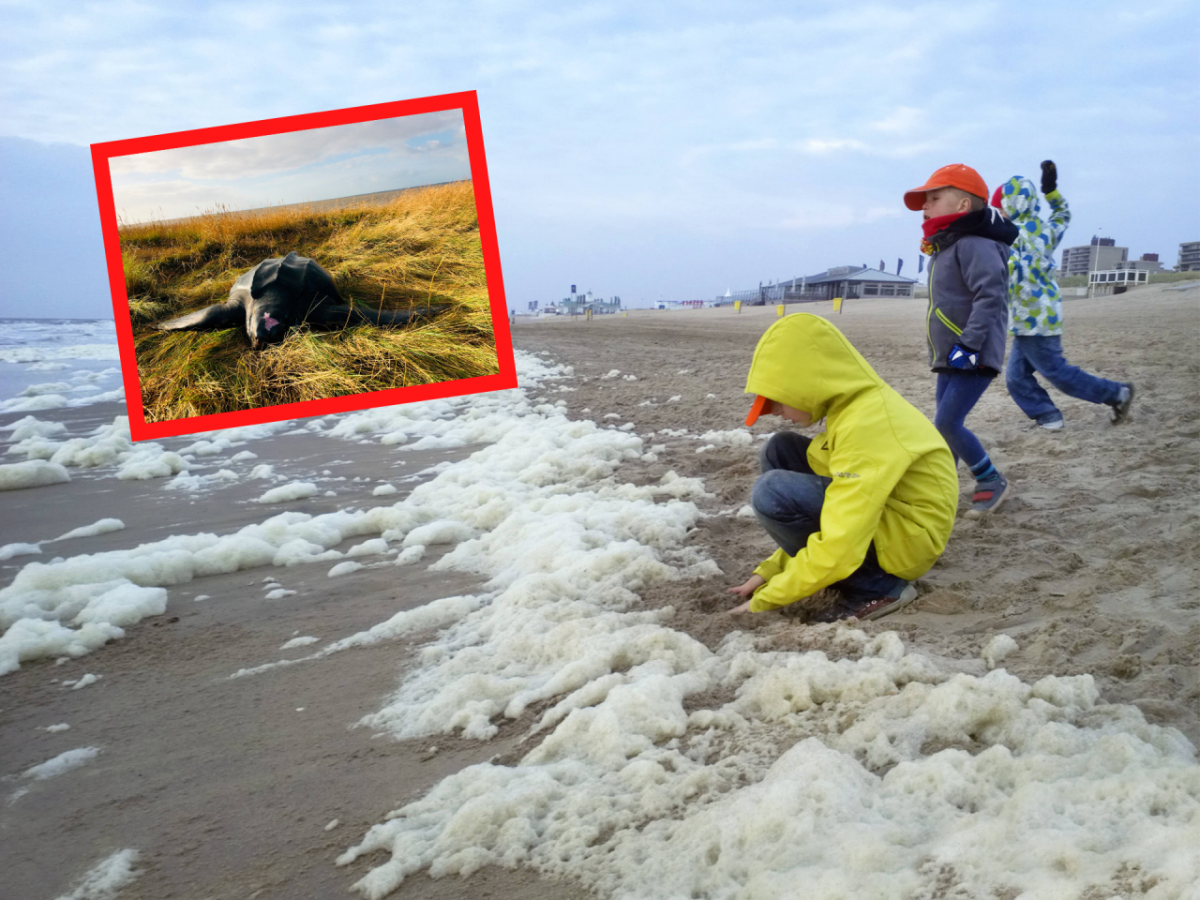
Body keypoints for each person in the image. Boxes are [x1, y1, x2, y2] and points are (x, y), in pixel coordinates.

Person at [727, 313, 958, 622]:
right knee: (779, 448)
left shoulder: (866, 424)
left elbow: (842, 538)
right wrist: (769, 572)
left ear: (806, 383)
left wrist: (767, 599)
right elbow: (839, 511)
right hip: (890, 516)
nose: (776, 412)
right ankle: (854, 576)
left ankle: (877, 588)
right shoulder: (849, 409)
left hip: (909, 541)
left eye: (778, 400)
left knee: (771, 492)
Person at [904, 163, 1019, 517]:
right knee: (944, 424)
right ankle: (942, 486)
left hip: (974, 352)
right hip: (952, 354)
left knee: (947, 423)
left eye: (934, 199)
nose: (926, 207)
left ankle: (990, 480)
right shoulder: (945, 247)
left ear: (963, 206)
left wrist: (969, 345)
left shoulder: (975, 244)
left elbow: (991, 296)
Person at [994, 162, 1135, 429]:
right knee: (1016, 377)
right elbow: (1063, 213)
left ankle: (1118, 393)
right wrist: (1051, 191)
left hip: (1034, 322)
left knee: (1059, 373)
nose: (1000, 209)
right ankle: (1048, 415)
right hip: (1039, 318)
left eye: (1003, 202)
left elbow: (1001, 254)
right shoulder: (1046, 230)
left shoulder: (1011, 234)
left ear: (1011, 202)